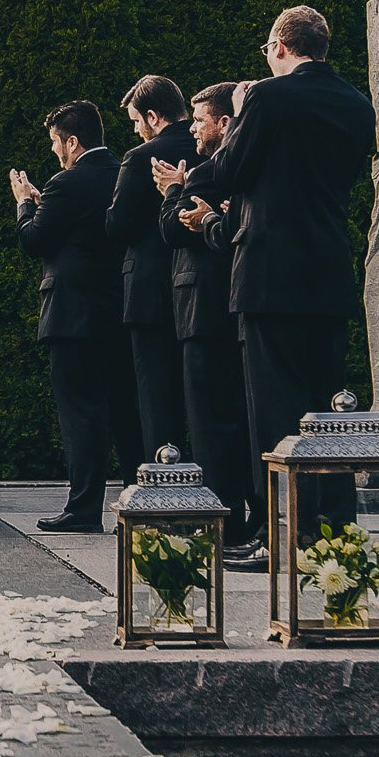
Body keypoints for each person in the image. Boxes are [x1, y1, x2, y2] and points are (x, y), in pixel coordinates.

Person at [201, 8, 375, 538]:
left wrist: (239, 107)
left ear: (279, 46)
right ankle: (334, 529)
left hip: (270, 268)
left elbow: (230, 171)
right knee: (329, 409)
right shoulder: (358, 103)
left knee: (275, 408)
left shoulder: (267, 97)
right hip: (327, 265)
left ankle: (282, 531)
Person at [9, 99, 118, 533]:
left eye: (56, 142)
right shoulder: (120, 174)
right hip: (117, 310)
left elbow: (35, 240)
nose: (55, 151)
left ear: (72, 142)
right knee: (117, 411)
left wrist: (25, 203)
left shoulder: (67, 182)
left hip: (72, 313)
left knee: (80, 414)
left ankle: (83, 508)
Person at [154, 82, 255, 546]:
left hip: (204, 307)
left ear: (224, 123)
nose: (193, 129)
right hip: (232, 306)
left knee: (212, 420)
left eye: (199, 121)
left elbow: (172, 231)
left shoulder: (207, 170)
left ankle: (224, 518)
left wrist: (174, 191)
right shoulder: (242, 167)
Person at [106, 76, 196, 466]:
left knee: (156, 394)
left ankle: (162, 483)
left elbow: (117, 225)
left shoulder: (141, 157)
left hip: (149, 289)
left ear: (153, 116)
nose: (135, 129)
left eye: (135, 121)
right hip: (200, 287)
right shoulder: (207, 148)